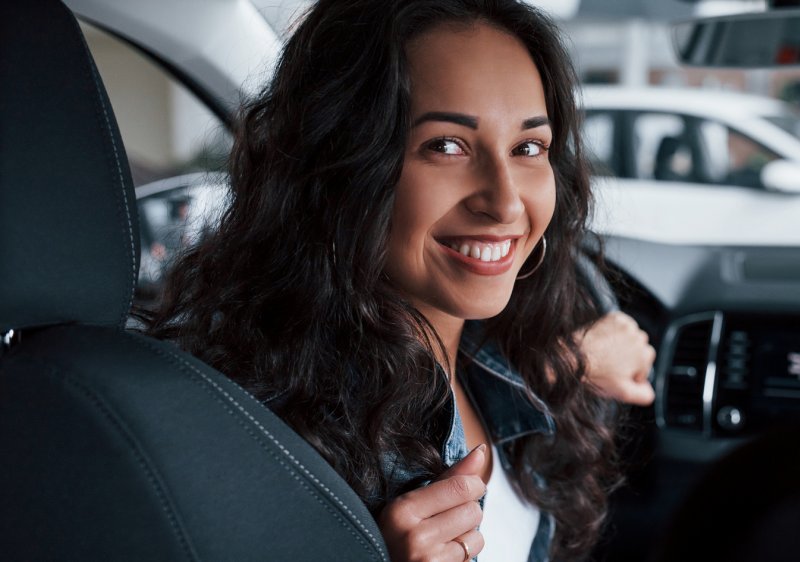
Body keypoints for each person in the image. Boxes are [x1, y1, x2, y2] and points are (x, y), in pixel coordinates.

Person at [141, 1, 654, 560]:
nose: (506, 202)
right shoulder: (250, 433)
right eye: (446, 146)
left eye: (528, 148)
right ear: (340, 165)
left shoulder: (502, 361)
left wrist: (574, 360)